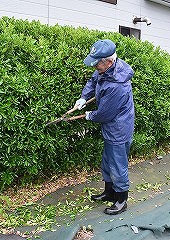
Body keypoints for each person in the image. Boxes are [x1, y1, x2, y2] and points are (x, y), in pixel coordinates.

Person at [74, 39, 135, 215]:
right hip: (110, 127)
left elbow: (105, 114)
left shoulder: (118, 85)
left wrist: (89, 115)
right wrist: (84, 97)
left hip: (118, 129)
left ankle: (121, 200)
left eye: (97, 64)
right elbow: (94, 80)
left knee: (118, 165)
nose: (95, 68)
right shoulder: (106, 69)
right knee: (107, 162)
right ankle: (110, 193)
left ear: (108, 62)